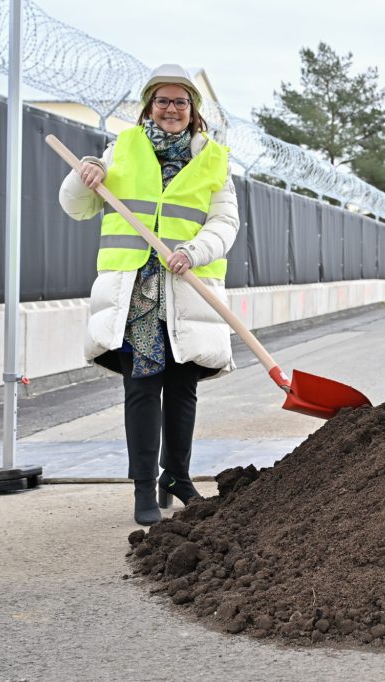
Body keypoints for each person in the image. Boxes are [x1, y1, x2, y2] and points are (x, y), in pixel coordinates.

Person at [59, 64, 239, 524]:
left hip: (186, 289)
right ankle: (143, 486)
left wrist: (194, 250)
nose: (171, 109)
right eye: (163, 101)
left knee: (182, 389)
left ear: (193, 109)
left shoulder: (214, 159)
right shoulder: (122, 149)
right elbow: (77, 207)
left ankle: (175, 477)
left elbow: (225, 223)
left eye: (181, 101)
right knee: (141, 387)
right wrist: (87, 174)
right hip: (136, 293)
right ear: (149, 106)